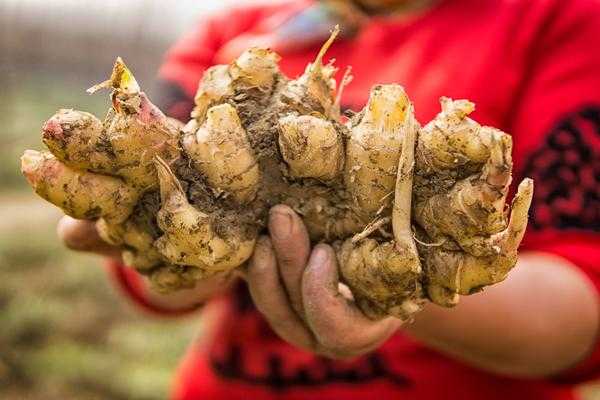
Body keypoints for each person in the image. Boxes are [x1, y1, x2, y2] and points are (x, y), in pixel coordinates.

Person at [57, 0, 600, 398]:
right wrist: (176, 239)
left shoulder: (562, 21)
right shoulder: (237, 35)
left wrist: (393, 289)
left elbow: (580, 311)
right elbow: (158, 286)